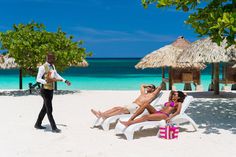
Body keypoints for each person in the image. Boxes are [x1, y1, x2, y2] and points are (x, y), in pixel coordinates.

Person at [34, 53, 71, 133]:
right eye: (51, 58)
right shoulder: (42, 67)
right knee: (49, 109)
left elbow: (56, 75)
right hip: (44, 91)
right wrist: (45, 81)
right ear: (47, 58)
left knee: (45, 109)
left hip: (50, 90)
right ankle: (54, 128)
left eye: (53, 58)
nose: (52, 60)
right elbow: (38, 79)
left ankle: (37, 124)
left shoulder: (53, 66)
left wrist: (65, 80)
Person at [91, 83, 163, 120]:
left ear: (153, 89)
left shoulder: (152, 95)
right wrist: (148, 85)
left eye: (150, 87)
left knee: (121, 110)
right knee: (116, 108)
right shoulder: (143, 93)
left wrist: (154, 88)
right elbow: (142, 85)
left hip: (137, 107)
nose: (147, 87)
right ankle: (101, 114)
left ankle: (106, 116)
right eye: (148, 86)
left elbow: (160, 87)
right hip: (132, 105)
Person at [120, 91, 186, 127]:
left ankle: (129, 123)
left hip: (164, 115)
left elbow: (178, 112)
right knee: (146, 104)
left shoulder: (178, 103)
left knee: (146, 117)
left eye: (176, 95)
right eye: (174, 94)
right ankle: (131, 118)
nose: (174, 95)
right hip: (157, 112)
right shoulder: (170, 101)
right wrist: (177, 93)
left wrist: (170, 117)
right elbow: (171, 92)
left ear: (179, 97)